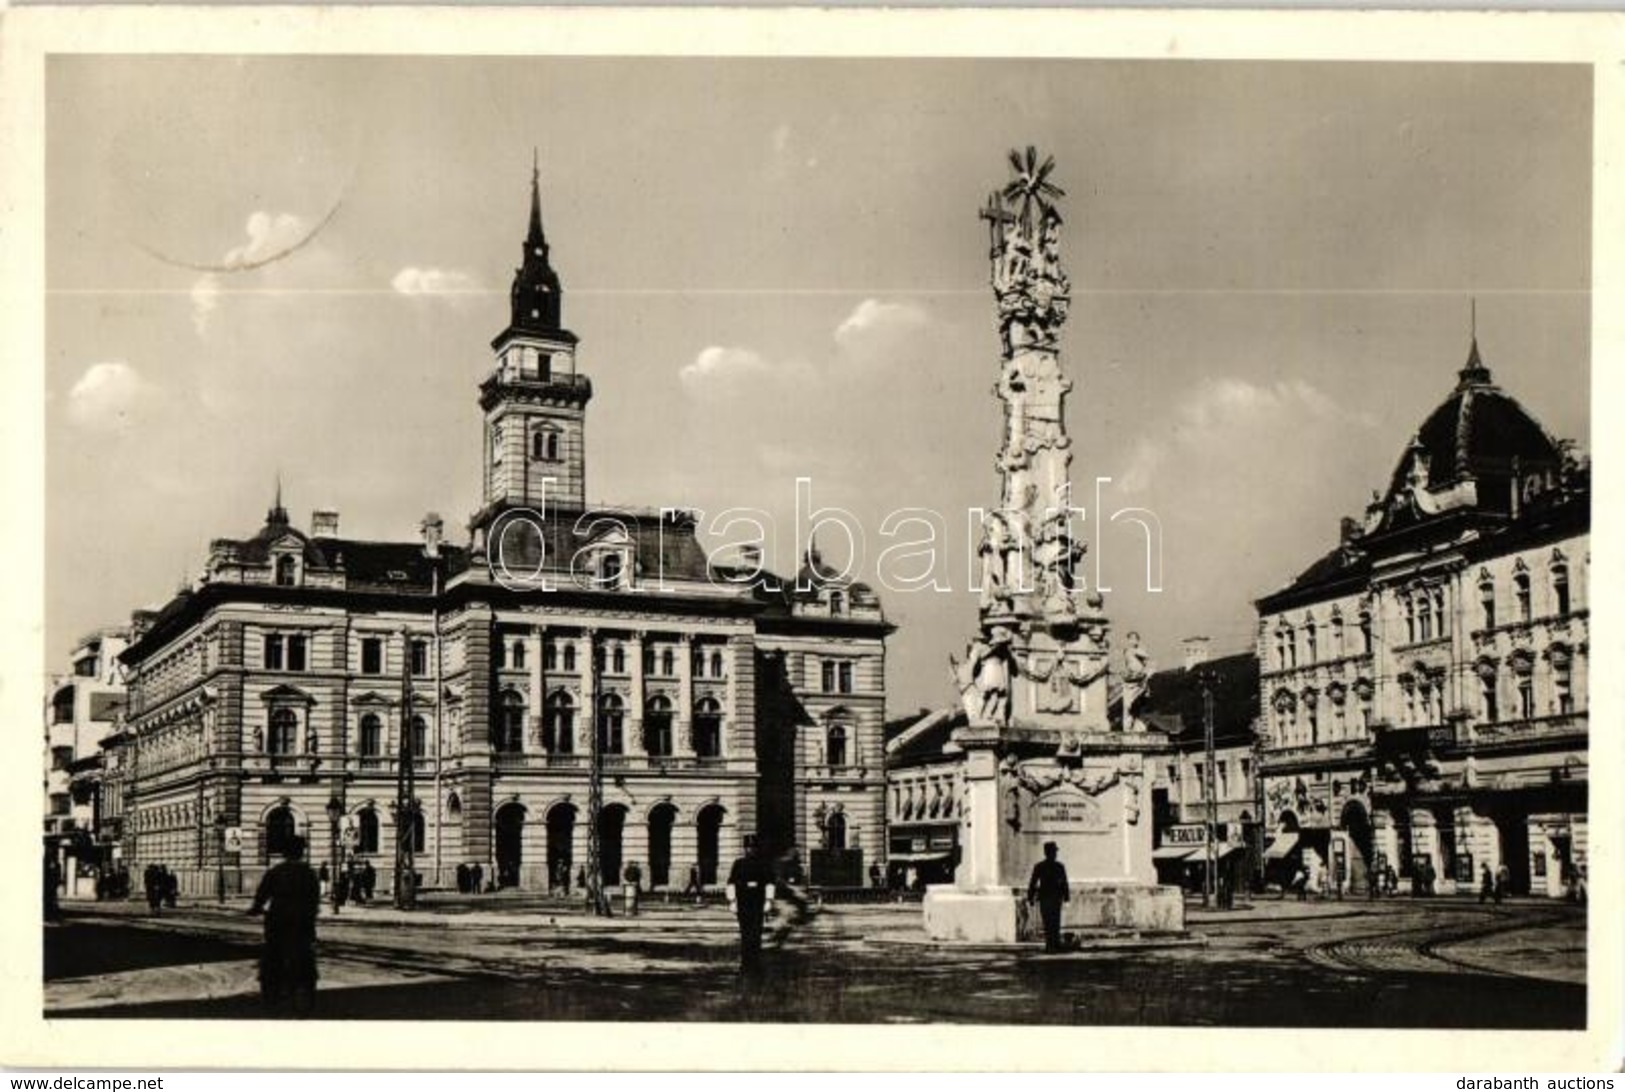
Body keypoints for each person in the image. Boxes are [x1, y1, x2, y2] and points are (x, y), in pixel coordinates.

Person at [248, 835, 321, 1017]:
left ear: (284, 853)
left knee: (273, 955)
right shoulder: (309, 873)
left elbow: (262, 896)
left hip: (279, 921)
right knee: (305, 952)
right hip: (303, 922)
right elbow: (314, 899)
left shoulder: (275, 872)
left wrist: (255, 909)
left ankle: (272, 991)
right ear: (301, 852)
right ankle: (306, 985)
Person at [726, 834, 776, 975]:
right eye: (748, 847)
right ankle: (745, 964)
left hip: (757, 903)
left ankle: (756, 965)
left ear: (757, 849)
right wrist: (732, 901)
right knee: (745, 934)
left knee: (756, 934)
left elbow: (770, 882)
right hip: (743, 903)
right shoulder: (739, 864)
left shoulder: (764, 864)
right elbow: (731, 882)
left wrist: (768, 900)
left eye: (753, 847)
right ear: (744, 849)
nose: (750, 850)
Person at [1027, 842, 1071, 952]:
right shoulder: (1058, 866)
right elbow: (1064, 883)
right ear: (1049, 853)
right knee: (1053, 921)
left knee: (1049, 921)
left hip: (1047, 898)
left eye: (1054, 852)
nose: (1055, 854)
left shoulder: (1040, 866)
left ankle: (1051, 944)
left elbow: (1033, 883)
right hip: (1053, 898)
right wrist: (1066, 897)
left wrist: (1030, 897)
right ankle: (1053, 944)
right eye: (1054, 851)